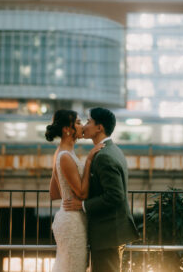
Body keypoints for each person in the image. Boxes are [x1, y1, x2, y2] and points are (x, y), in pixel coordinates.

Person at [64, 107, 139, 272]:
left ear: (100, 127)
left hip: (107, 234)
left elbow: (115, 195)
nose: (84, 125)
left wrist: (83, 205)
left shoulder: (104, 156)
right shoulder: (112, 150)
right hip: (111, 232)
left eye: (89, 121)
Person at [46, 109, 104, 272]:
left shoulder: (61, 152)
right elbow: (82, 194)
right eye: (78, 123)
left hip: (69, 218)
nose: (82, 126)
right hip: (72, 222)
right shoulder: (65, 155)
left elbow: (54, 192)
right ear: (67, 129)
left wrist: (67, 191)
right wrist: (89, 160)